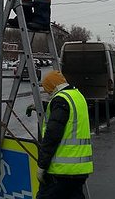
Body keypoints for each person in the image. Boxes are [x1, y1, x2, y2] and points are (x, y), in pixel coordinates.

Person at [36, 70, 93, 199]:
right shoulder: (77, 96)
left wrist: (42, 165)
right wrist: (46, 107)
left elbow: (52, 136)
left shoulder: (60, 100)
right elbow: (68, 116)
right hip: (80, 169)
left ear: (52, 87)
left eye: (48, 91)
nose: (49, 94)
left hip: (61, 170)